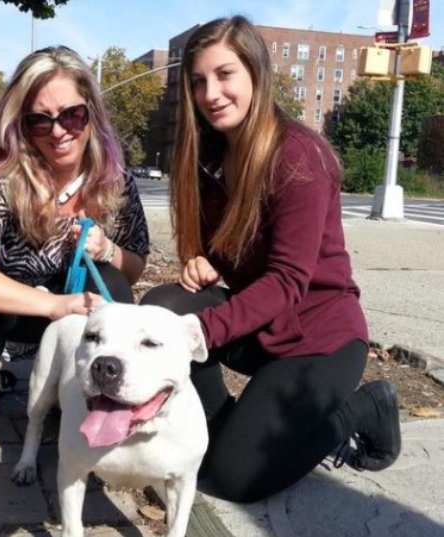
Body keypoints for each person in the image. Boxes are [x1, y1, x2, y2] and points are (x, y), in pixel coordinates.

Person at [141, 16, 401, 504]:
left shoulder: (299, 157)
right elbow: (237, 245)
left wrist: (202, 332)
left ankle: (361, 409)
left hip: (318, 339)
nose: (210, 93)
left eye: (225, 74)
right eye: (198, 81)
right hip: (263, 327)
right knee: (164, 307)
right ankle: (221, 430)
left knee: (234, 480)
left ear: (256, 74)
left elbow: (286, 281)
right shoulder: (212, 154)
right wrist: (206, 261)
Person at [0, 45, 150, 425]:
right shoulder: (4, 179)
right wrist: (54, 306)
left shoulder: (116, 180)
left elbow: (134, 268)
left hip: (62, 304)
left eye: (72, 115)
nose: (58, 132)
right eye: (40, 120)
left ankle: (76, 390)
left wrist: (108, 249)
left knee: (113, 286)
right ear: (21, 125)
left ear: (91, 112)